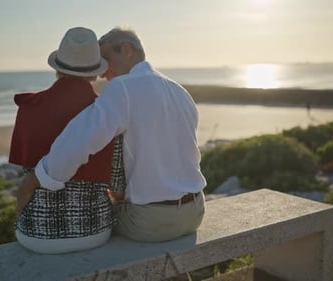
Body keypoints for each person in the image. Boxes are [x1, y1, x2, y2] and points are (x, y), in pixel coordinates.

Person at [18, 27, 207, 242]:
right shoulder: (179, 90)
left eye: (106, 61)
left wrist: (35, 179)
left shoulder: (123, 87)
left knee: (91, 224)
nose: (102, 73)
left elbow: (80, 139)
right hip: (196, 212)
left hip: (152, 221)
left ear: (126, 50)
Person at [10, 27, 125, 254]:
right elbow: (118, 185)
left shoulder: (29, 107)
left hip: (35, 234)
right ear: (94, 73)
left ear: (57, 68)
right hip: (93, 231)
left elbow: (25, 172)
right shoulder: (107, 113)